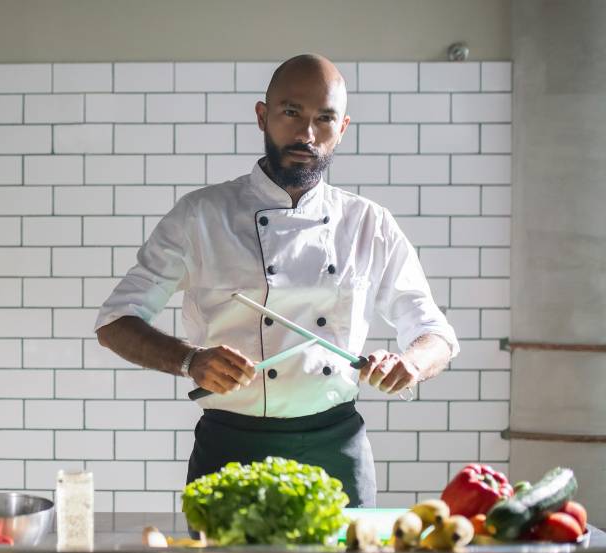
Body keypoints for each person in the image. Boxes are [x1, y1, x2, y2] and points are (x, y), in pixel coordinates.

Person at [94, 54, 458, 507]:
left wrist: (411, 365)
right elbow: (115, 321)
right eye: (291, 113)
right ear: (263, 116)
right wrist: (190, 361)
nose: (307, 134)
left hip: (334, 450)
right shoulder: (201, 216)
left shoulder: (369, 223)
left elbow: (435, 333)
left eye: (323, 119)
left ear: (341, 129)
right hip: (231, 450)